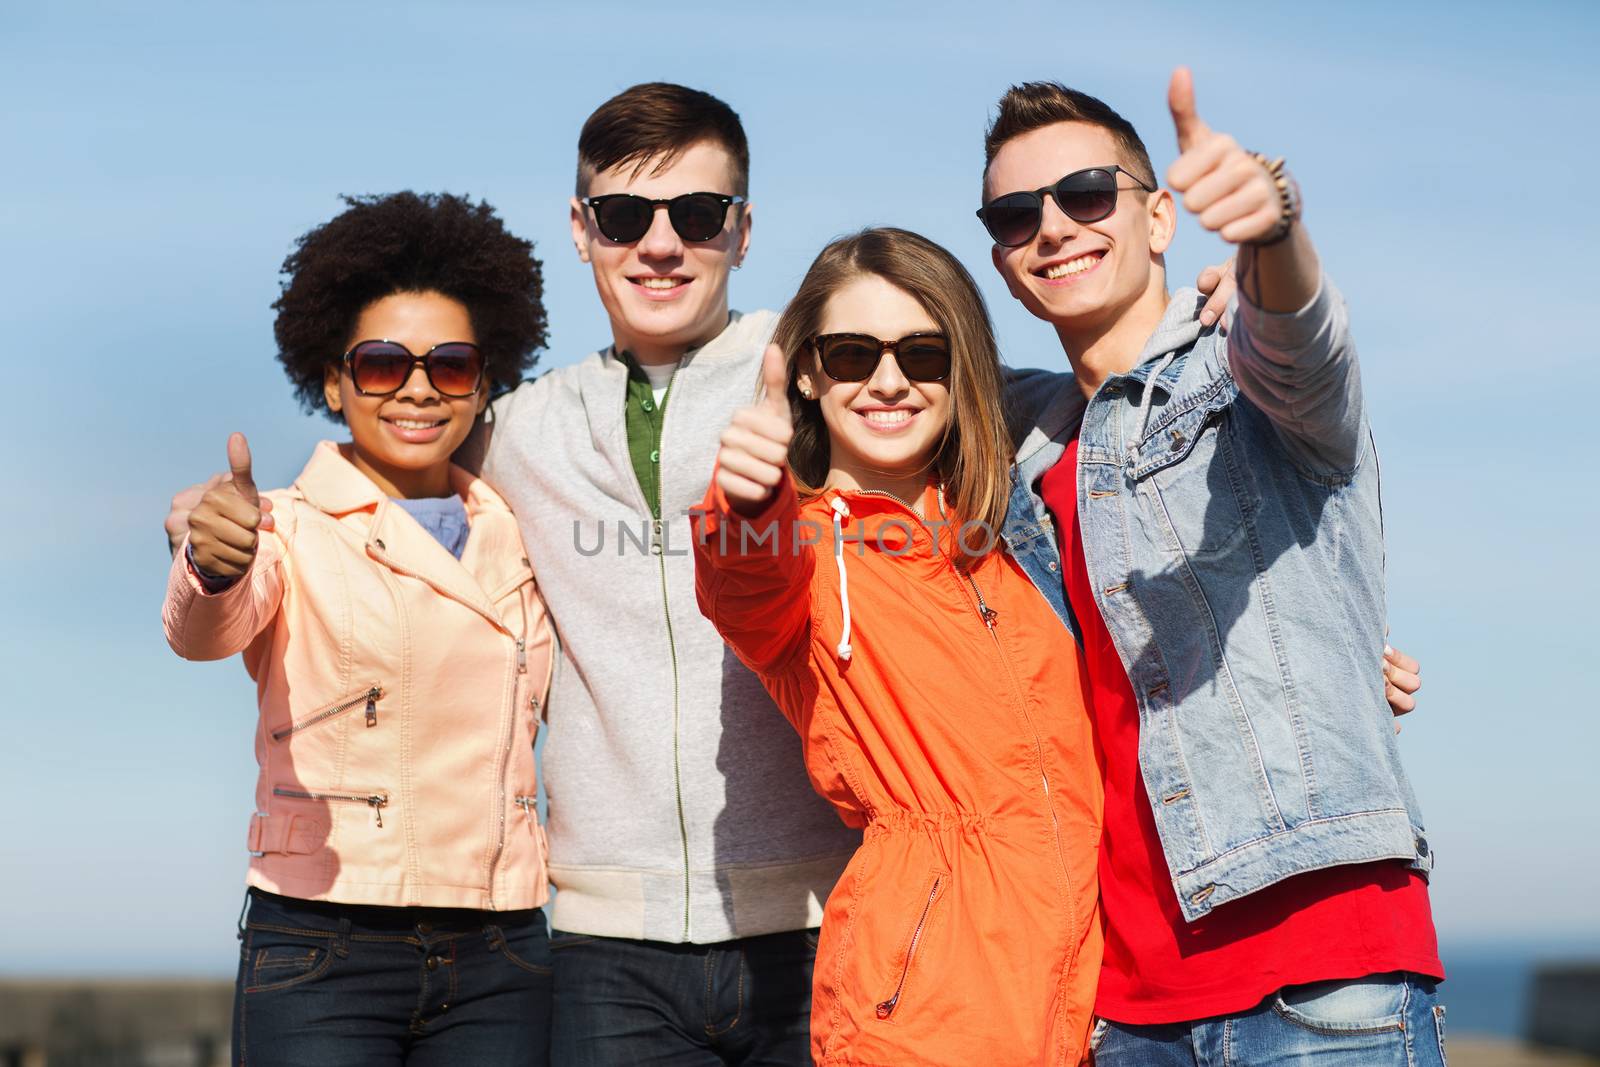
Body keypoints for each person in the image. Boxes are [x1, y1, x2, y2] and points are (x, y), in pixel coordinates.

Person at [980, 71, 1445, 1064]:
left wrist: (1270, 233)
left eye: (1086, 194)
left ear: (1158, 218)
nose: (1054, 226)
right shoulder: (1022, 456)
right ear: (1003, 260)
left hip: (1323, 981)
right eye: (1019, 214)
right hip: (1121, 1007)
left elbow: (1301, 343)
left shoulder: (1234, 368)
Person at [162, 192, 556, 1067]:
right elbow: (208, 626)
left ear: (485, 381)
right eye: (382, 363)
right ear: (334, 380)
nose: (417, 386)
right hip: (321, 947)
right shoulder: (283, 524)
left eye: (450, 365)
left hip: (501, 951)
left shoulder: (523, 531)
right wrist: (212, 561)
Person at [693, 227, 1103, 1066]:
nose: (889, 380)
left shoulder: (1020, 534)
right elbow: (740, 581)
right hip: (926, 1012)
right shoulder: (798, 546)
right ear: (808, 371)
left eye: (923, 353)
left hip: (1105, 1002)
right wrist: (745, 497)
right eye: (851, 353)